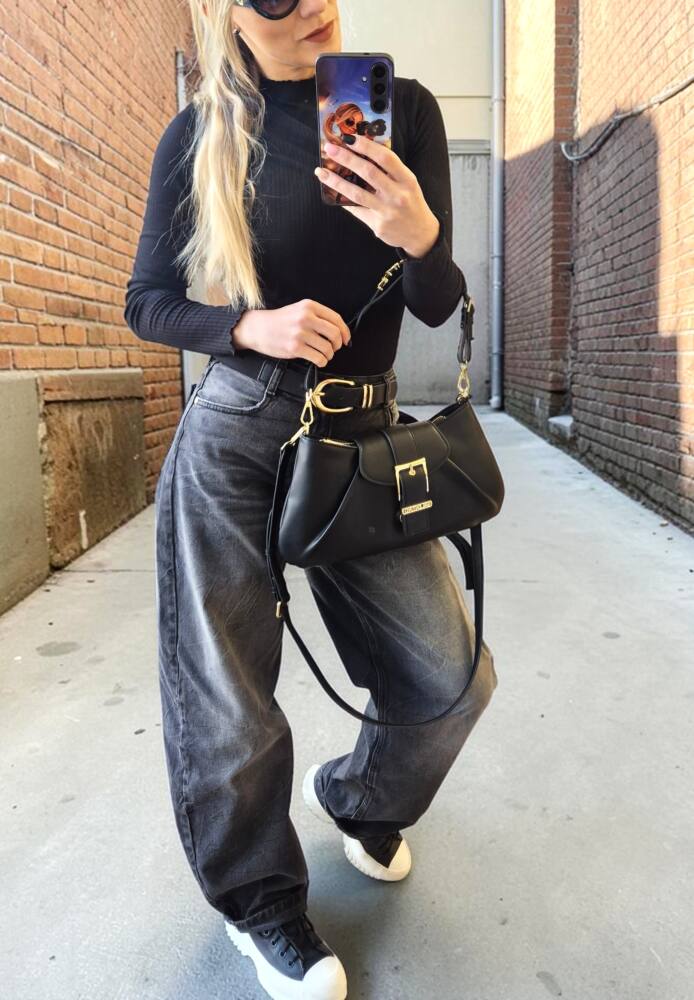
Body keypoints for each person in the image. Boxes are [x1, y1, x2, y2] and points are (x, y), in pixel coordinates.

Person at [124, 1, 498, 997]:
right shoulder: (202, 134)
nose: (313, 5)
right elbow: (147, 300)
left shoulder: (404, 110)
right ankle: (259, 901)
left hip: (363, 436)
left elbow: (434, 304)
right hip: (238, 430)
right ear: (233, 17)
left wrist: (419, 235)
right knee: (229, 697)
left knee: (450, 677)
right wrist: (251, 327)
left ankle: (363, 801)